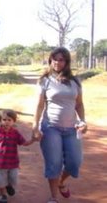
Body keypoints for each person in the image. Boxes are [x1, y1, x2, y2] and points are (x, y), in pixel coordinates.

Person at [32, 47, 87, 203]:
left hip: (72, 129)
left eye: (61, 59)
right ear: (50, 60)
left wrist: (83, 121)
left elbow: (79, 104)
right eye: (54, 59)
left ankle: (61, 181)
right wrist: (35, 126)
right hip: (51, 128)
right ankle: (53, 197)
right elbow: (39, 105)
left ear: (66, 62)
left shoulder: (75, 81)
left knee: (74, 162)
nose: (57, 62)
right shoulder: (45, 80)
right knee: (54, 163)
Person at [0, 109, 35, 203]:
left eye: (9, 120)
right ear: (0, 120)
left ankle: (9, 185)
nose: (7, 122)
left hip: (13, 162)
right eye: (4, 120)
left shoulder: (15, 133)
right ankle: (3, 195)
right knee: (0, 180)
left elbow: (24, 143)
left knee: (13, 178)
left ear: (14, 121)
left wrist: (33, 140)